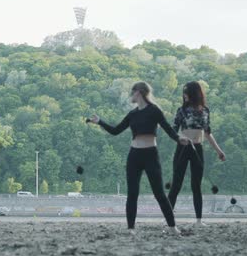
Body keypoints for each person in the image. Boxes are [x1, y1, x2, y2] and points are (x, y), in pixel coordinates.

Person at [89, 81, 189, 234]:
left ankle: (172, 226)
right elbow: (116, 131)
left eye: (132, 91)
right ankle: (130, 228)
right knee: (132, 193)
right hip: (134, 156)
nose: (131, 94)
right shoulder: (133, 114)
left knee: (159, 193)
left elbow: (168, 128)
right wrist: (100, 122)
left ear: (139, 92)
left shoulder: (154, 110)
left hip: (150, 154)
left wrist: (178, 139)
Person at [167, 81, 226, 226]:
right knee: (176, 184)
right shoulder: (181, 110)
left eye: (186, 92)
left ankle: (199, 220)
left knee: (196, 185)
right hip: (183, 148)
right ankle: (168, 218)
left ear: (194, 93)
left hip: (198, 148)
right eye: (183, 92)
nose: (184, 95)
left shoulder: (205, 111)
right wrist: (180, 139)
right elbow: (173, 131)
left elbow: (207, 133)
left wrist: (219, 151)